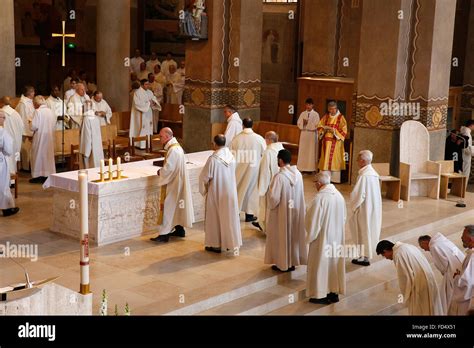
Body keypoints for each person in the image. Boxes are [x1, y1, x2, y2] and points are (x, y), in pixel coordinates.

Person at [306, 171, 346, 304]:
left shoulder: (319, 199)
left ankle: (321, 294)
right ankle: (333, 293)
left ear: (318, 183)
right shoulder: (339, 196)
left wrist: (309, 237)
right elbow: (344, 217)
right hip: (336, 238)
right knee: (333, 264)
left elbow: (313, 222)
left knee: (321, 265)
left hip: (322, 239)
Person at [264, 149, 307, 272]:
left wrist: (269, 198)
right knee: (292, 235)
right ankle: (292, 261)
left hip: (282, 213)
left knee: (282, 236)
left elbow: (273, 198)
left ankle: (282, 263)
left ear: (280, 160)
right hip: (295, 211)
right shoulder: (298, 174)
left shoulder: (279, 177)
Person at [199, 134, 242, 254]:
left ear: (215, 144)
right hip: (229, 192)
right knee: (227, 217)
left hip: (216, 192)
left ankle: (216, 244)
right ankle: (229, 243)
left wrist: (204, 189)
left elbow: (204, 177)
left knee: (215, 218)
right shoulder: (232, 157)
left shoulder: (213, 159)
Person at [376, 240, 443, 315]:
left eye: (383, 255)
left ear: (385, 251)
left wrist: (405, 294)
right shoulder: (407, 246)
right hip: (428, 278)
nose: (386, 258)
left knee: (421, 310)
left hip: (419, 284)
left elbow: (405, 277)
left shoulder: (398, 254)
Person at [150, 128, 194, 243]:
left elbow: (169, 168)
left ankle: (164, 235)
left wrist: (161, 172)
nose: (159, 138)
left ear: (168, 137)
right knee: (177, 207)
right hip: (177, 182)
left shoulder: (173, 150)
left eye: (161, 136)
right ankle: (179, 229)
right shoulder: (176, 147)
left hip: (173, 184)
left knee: (168, 208)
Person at [349, 150, 382, 267]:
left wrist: (353, 207)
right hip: (372, 208)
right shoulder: (373, 173)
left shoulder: (364, 176)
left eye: (358, 159)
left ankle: (364, 258)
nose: (357, 161)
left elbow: (358, 195)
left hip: (364, 210)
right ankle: (365, 255)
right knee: (368, 231)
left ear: (362, 161)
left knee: (363, 231)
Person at [230, 118, 266, 222]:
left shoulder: (236, 139)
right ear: (253, 125)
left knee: (238, 190)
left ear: (242, 125)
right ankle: (249, 214)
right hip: (253, 169)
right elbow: (264, 153)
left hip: (238, 169)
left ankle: (235, 213)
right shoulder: (259, 139)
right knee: (251, 191)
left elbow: (231, 155)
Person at [418, 233, 464, 315]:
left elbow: (443, 266)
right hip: (460, 264)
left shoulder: (434, 246)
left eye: (423, 247)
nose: (425, 250)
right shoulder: (442, 240)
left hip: (452, 270)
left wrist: (443, 272)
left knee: (447, 294)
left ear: (425, 242)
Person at [253, 131, 284, 232]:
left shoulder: (268, 152)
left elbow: (265, 171)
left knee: (267, 206)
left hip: (270, 184)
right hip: (281, 182)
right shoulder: (281, 148)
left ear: (268, 140)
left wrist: (262, 187)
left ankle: (266, 227)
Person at [317, 101, 348, 183]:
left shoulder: (341, 117)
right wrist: (324, 128)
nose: (332, 111)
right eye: (330, 109)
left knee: (335, 160)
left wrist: (333, 130)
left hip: (336, 142)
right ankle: (323, 178)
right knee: (325, 159)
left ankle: (334, 179)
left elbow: (344, 130)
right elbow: (319, 126)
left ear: (336, 108)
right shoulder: (326, 117)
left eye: (333, 109)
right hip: (326, 143)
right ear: (328, 109)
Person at [29, 96, 57, 184]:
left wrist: (30, 122)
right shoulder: (50, 111)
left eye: (33, 104)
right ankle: (47, 174)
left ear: (36, 104)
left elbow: (34, 126)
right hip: (49, 136)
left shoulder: (38, 112)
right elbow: (53, 124)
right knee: (47, 155)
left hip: (39, 136)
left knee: (37, 155)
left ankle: (38, 176)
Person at [130, 79, 160, 149]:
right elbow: (137, 104)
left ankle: (148, 144)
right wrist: (149, 103)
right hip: (141, 114)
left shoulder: (149, 92)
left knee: (149, 128)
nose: (148, 86)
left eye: (148, 84)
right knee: (141, 128)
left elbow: (154, 99)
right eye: (146, 84)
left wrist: (154, 102)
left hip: (148, 113)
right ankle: (140, 144)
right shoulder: (137, 93)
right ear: (142, 85)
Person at [451, 225, 474, 315]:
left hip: (468, 301)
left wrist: (457, 277)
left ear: (471, 240)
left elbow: (467, 283)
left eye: (463, 237)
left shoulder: (472, 258)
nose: (461, 238)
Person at [0, 111, 20, 217]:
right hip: (1, 161)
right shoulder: (2, 131)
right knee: (3, 185)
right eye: (3, 117)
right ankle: (6, 208)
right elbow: (8, 150)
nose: (4, 119)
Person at [0, 97, 23, 174]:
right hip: (16, 142)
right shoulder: (16, 113)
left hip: (5, 142)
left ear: (2, 103)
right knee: (13, 160)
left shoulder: (1, 113)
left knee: (6, 160)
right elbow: (22, 126)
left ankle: (8, 180)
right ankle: (13, 177)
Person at [16, 85, 36, 171]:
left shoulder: (29, 102)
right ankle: (25, 167)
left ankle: (29, 166)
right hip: (25, 131)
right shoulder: (23, 104)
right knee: (25, 150)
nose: (34, 93)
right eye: (33, 92)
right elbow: (24, 119)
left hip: (31, 128)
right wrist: (29, 132)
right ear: (30, 93)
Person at [296, 98, 319, 173]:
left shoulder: (316, 114)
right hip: (304, 134)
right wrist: (303, 124)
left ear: (312, 105)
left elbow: (317, 125)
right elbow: (299, 123)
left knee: (311, 152)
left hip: (311, 135)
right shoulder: (303, 113)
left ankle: (311, 169)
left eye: (310, 105)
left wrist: (308, 123)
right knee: (303, 151)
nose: (308, 106)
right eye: (307, 104)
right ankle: (302, 167)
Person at [79, 100, 104, 169]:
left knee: (89, 170)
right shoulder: (96, 118)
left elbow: (86, 137)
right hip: (97, 148)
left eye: (82, 107)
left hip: (90, 150)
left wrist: (86, 152)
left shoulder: (86, 119)